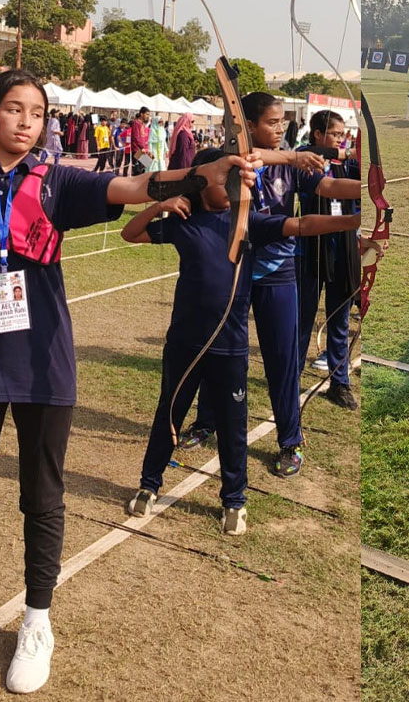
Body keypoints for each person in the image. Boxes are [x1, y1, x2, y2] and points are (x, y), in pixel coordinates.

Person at [0, 68, 259, 695]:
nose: (27, 121)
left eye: (38, 112)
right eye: (14, 109)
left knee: (42, 492)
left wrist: (198, 176)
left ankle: (37, 619)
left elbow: (129, 185)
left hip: (44, 358)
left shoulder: (56, 182)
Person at [123, 147, 360, 533]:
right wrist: (161, 205)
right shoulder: (185, 222)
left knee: (234, 426)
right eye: (227, 180)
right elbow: (130, 233)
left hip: (229, 347)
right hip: (185, 342)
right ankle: (149, 485)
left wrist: (353, 220)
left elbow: (300, 226)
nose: (237, 186)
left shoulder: (247, 223)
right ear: (201, 186)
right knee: (169, 414)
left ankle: (234, 499)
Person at [179, 92, 360, 477]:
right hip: (234, 269)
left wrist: (371, 190)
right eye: (271, 123)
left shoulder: (292, 162)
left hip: (278, 271)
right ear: (246, 127)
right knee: (222, 353)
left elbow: (326, 189)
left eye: (282, 123)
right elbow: (253, 159)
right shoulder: (230, 161)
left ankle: (290, 440)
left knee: (282, 360)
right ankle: (206, 421)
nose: (280, 130)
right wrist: (294, 155)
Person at [295, 110, 361, 410]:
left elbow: (367, 172)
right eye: (335, 133)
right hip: (313, 247)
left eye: (343, 133)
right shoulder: (304, 159)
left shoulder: (346, 162)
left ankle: (339, 382)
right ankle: (289, 376)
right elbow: (325, 186)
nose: (340, 139)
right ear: (319, 135)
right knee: (302, 318)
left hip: (342, 248)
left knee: (340, 320)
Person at [131, 106, 151, 175]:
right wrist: (142, 148)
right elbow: (136, 138)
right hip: (137, 150)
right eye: (147, 114)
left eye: (149, 115)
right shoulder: (136, 123)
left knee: (147, 165)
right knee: (138, 171)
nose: (148, 116)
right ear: (141, 114)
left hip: (143, 150)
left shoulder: (142, 124)